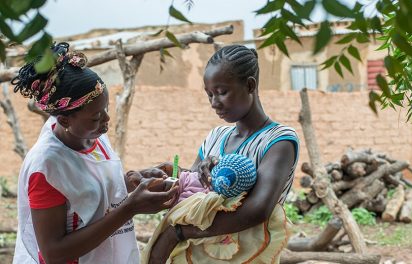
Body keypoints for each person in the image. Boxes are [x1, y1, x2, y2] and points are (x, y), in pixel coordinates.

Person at [11, 42, 178, 264]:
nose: (107, 121)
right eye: (96, 117)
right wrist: (130, 208)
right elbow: (53, 253)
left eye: (106, 110)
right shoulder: (47, 166)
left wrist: (131, 181)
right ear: (64, 120)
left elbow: (87, 192)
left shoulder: (92, 136)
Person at [148, 44, 300, 263]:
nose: (214, 103)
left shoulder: (278, 140)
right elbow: (192, 196)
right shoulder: (215, 136)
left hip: (247, 256)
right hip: (195, 256)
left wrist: (179, 233)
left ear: (249, 85)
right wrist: (179, 176)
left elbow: (258, 209)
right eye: (209, 94)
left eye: (222, 92)